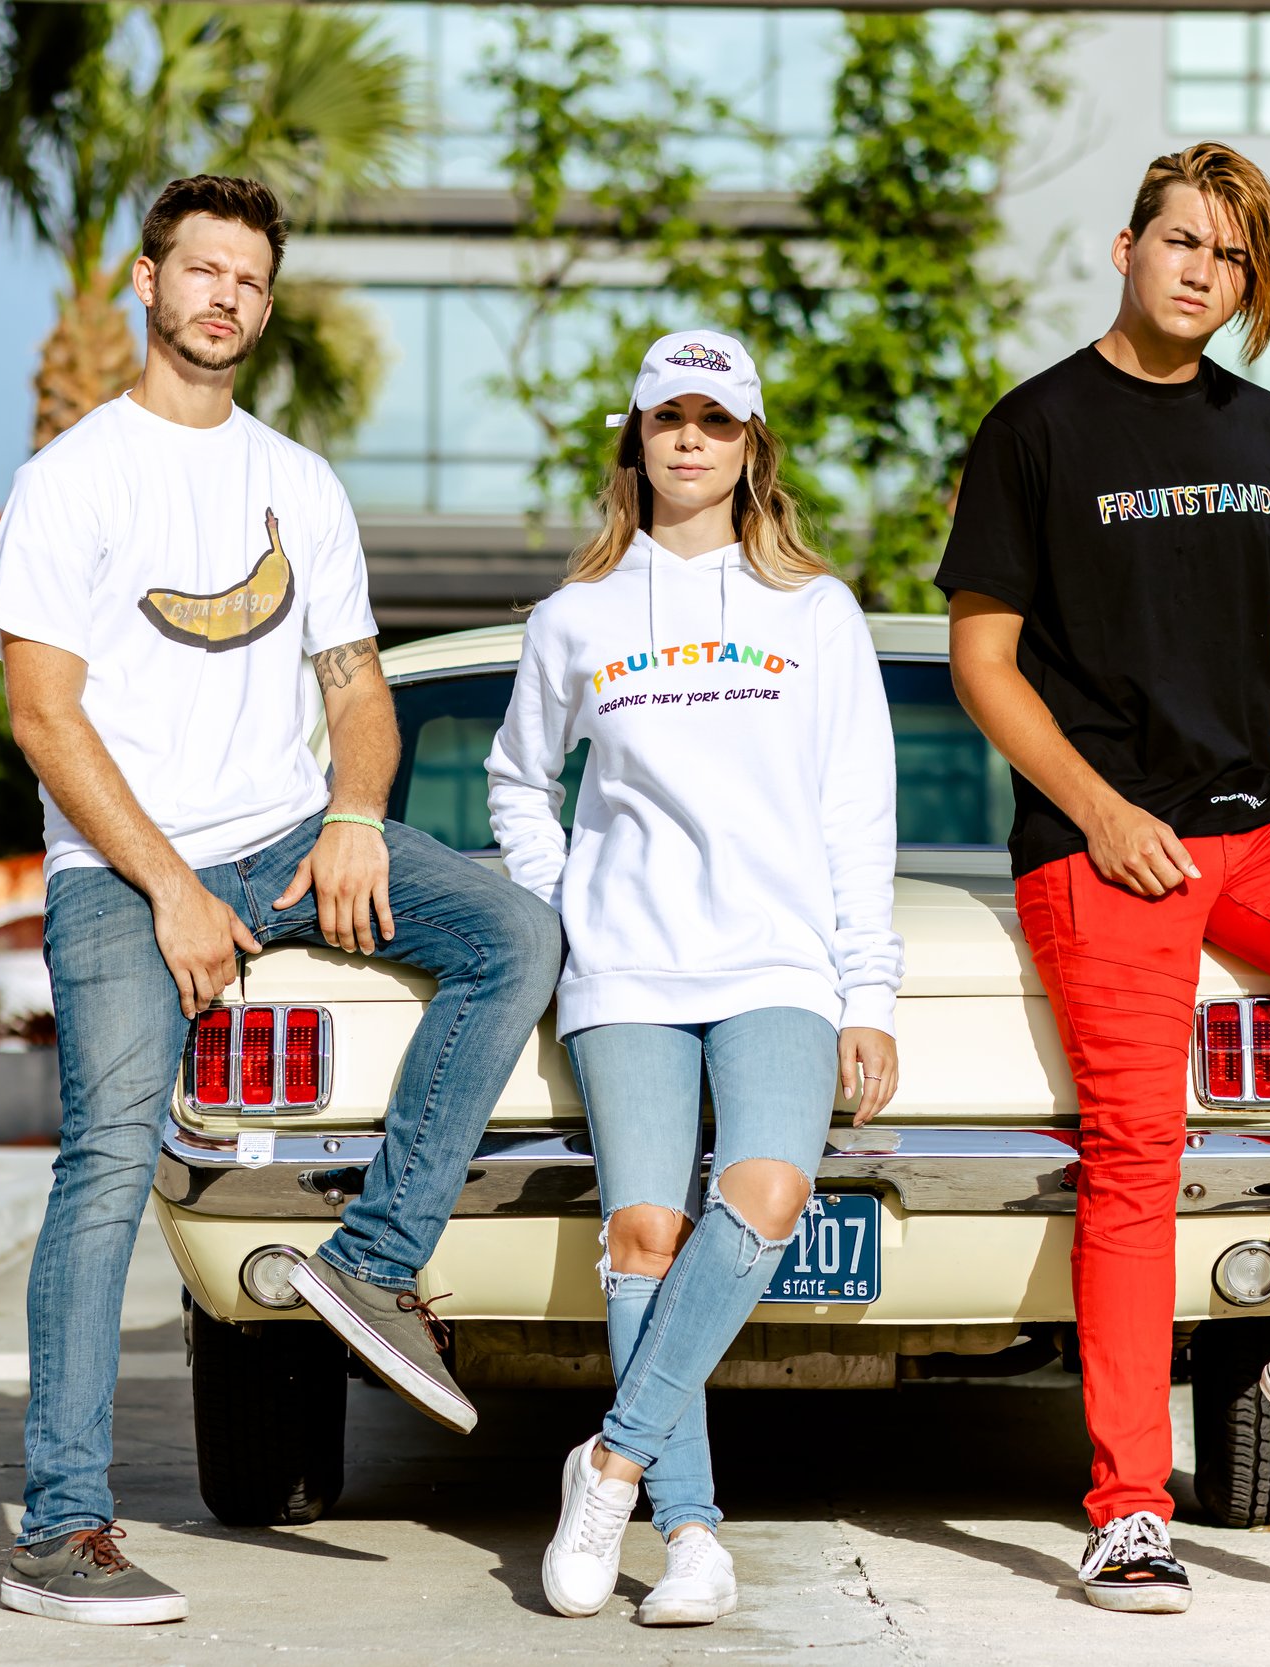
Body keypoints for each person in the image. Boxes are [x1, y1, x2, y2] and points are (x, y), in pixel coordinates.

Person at [0, 174, 560, 1626]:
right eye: (202, 270)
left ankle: (373, 1262)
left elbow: (355, 691)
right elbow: (43, 714)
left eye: (248, 278)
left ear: (266, 305)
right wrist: (169, 885)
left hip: (290, 834)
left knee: (513, 933)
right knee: (109, 1159)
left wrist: (356, 814)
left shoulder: (300, 482)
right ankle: (63, 1525)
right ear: (148, 283)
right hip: (122, 870)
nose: (224, 296)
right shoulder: (72, 478)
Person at [936, 143, 1270, 1615]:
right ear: (1126, 248)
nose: (1201, 271)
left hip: (1257, 820)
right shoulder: (1036, 427)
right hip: (1109, 841)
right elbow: (981, 660)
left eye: (1230, 257)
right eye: (1181, 241)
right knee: (1139, 1150)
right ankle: (1127, 1510)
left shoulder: (1263, 425)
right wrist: (1098, 812)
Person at [486, 330, 904, 1627]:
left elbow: (858, 810)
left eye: (715, 421)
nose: (689, 439)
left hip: (777, 959)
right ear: (637, 438)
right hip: (628, 970)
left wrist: (869, 992)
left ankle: (608, 1465)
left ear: (748, 446)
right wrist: (571, 905)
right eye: (668, 417)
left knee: (768, 1193)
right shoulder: (576, 616)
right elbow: (517, 781)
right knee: (645, 1234)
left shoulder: (815, 611)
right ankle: (692, 1536)